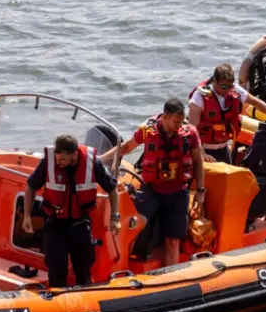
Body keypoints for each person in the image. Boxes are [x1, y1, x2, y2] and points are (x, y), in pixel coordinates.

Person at [102, 98, 205, 266]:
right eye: (175, 122)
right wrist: (100, 159)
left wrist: (200, 191)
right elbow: (126, 147)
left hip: (177, 192)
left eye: (181, 121)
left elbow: (197, 162)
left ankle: (172, 276)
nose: (179, 126)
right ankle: (121, 263)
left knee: (173, 240)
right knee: (134, 223)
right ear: (165, 116)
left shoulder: (190, 133)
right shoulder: (147, 130)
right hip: (151, 190)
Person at [22, 134, 120, 289]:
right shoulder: (49, 161)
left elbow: (112, 189)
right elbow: (31, 186)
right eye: (57, 159)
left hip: (80, 224)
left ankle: (84, 302)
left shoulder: (93, 163)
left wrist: (115, 217)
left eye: (62, 160)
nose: (58, 163)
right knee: (56, 269)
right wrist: (27, 216)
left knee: (83, 269)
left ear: (74, 154)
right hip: (55, 225)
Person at [188, 62, 266, 164]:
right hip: (204, 150)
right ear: (214, 81)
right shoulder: (199, 97)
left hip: (224, 149)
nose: (227, 90)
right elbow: (192, 129)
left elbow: (256, 103)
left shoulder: (234, 90)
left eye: (229, 86)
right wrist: (201, 153)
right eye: (223, 86)